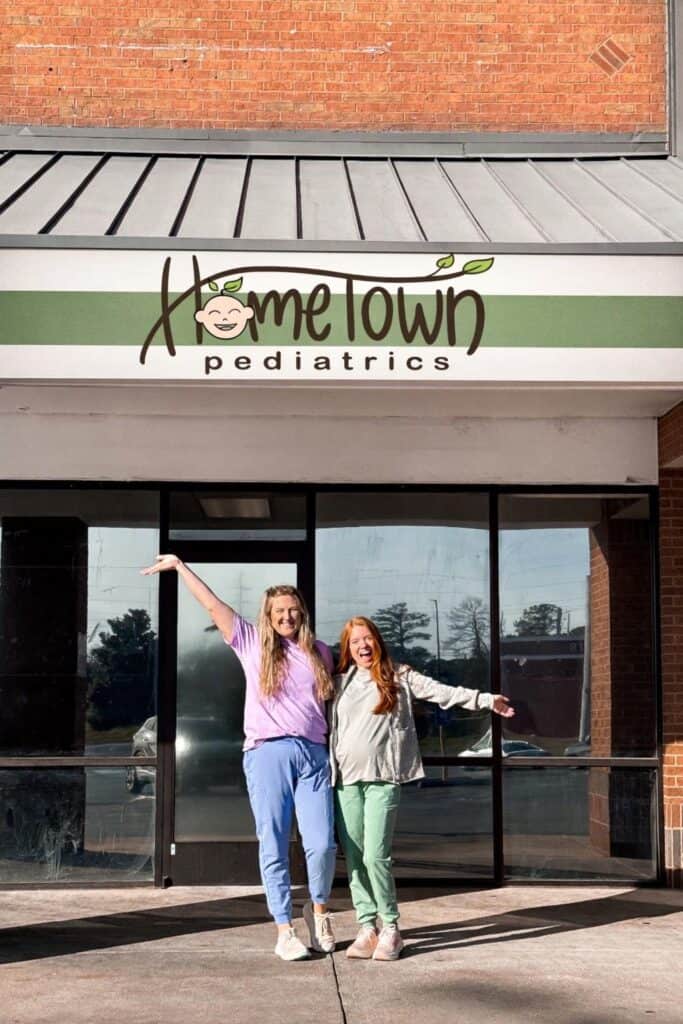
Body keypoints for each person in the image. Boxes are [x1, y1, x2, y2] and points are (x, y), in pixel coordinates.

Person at [141, 555, 337, 962]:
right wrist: (180, 567)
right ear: (267, 616)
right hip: (267, 753)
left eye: (292, 609)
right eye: (278, 611)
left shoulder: (319, 651)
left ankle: (318, 911)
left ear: (302, 611)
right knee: (275, 844)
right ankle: (284, 928)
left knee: (320, 844)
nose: (287, 616)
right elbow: (213, 605)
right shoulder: (253, 643)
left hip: (314, 755)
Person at [330, 615, 514, 962]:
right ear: (347, 648)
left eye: (367, 638)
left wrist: (485, 700)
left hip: (383, 780)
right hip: (346, 782)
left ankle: (391, 928)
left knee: (375, 856)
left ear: (378, 642)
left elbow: (442, 693)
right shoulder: (340, 683)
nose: (362, 646)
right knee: (354, 859)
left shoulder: (399, 677)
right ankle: (366, 926)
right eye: (355, 641)